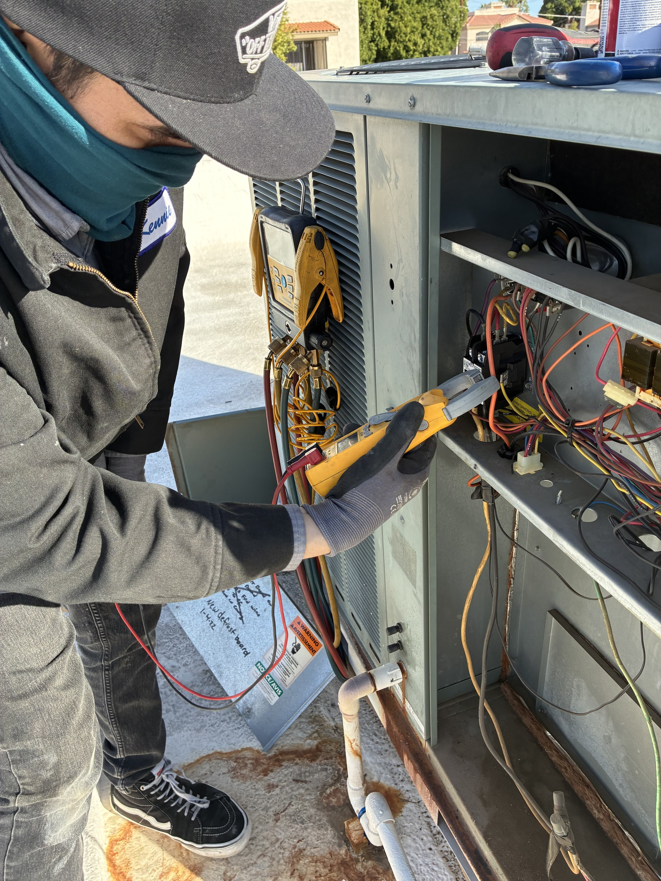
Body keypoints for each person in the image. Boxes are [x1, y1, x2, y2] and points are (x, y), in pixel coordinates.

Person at [0, 1, 437, 878]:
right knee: (43, 746)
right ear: (37, 44)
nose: (179, 159)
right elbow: (43, 525)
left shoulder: (121, 176)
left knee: (129, 600)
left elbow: (153, 291)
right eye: (164, 125)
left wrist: (133, 449)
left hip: (94, 426)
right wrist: (312, 531)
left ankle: (138, 772)